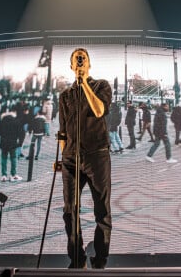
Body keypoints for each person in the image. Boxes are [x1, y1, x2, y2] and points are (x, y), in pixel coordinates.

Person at [58, 48, 112, 269]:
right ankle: (77, 259)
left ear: (88, 64)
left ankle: (100, 260)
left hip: (97, 156)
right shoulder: (65, 95)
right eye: (76, 59)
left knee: (102, 210)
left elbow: (99, 110)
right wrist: (63, 156)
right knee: (70, 210)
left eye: (84, 58)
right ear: (72, 66)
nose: (80, 61)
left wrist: (85, 84)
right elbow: (63, 130)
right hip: (71, 158)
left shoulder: (101, 85)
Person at [0, 106, 23, 182]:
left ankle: (4, 175)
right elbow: (20, 133)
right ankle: (13, 174)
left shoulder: (1, 121)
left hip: (4, 143)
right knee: (13, 158)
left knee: (4, 158)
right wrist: (19, 142)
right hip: (13, 143)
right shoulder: (16, 121)